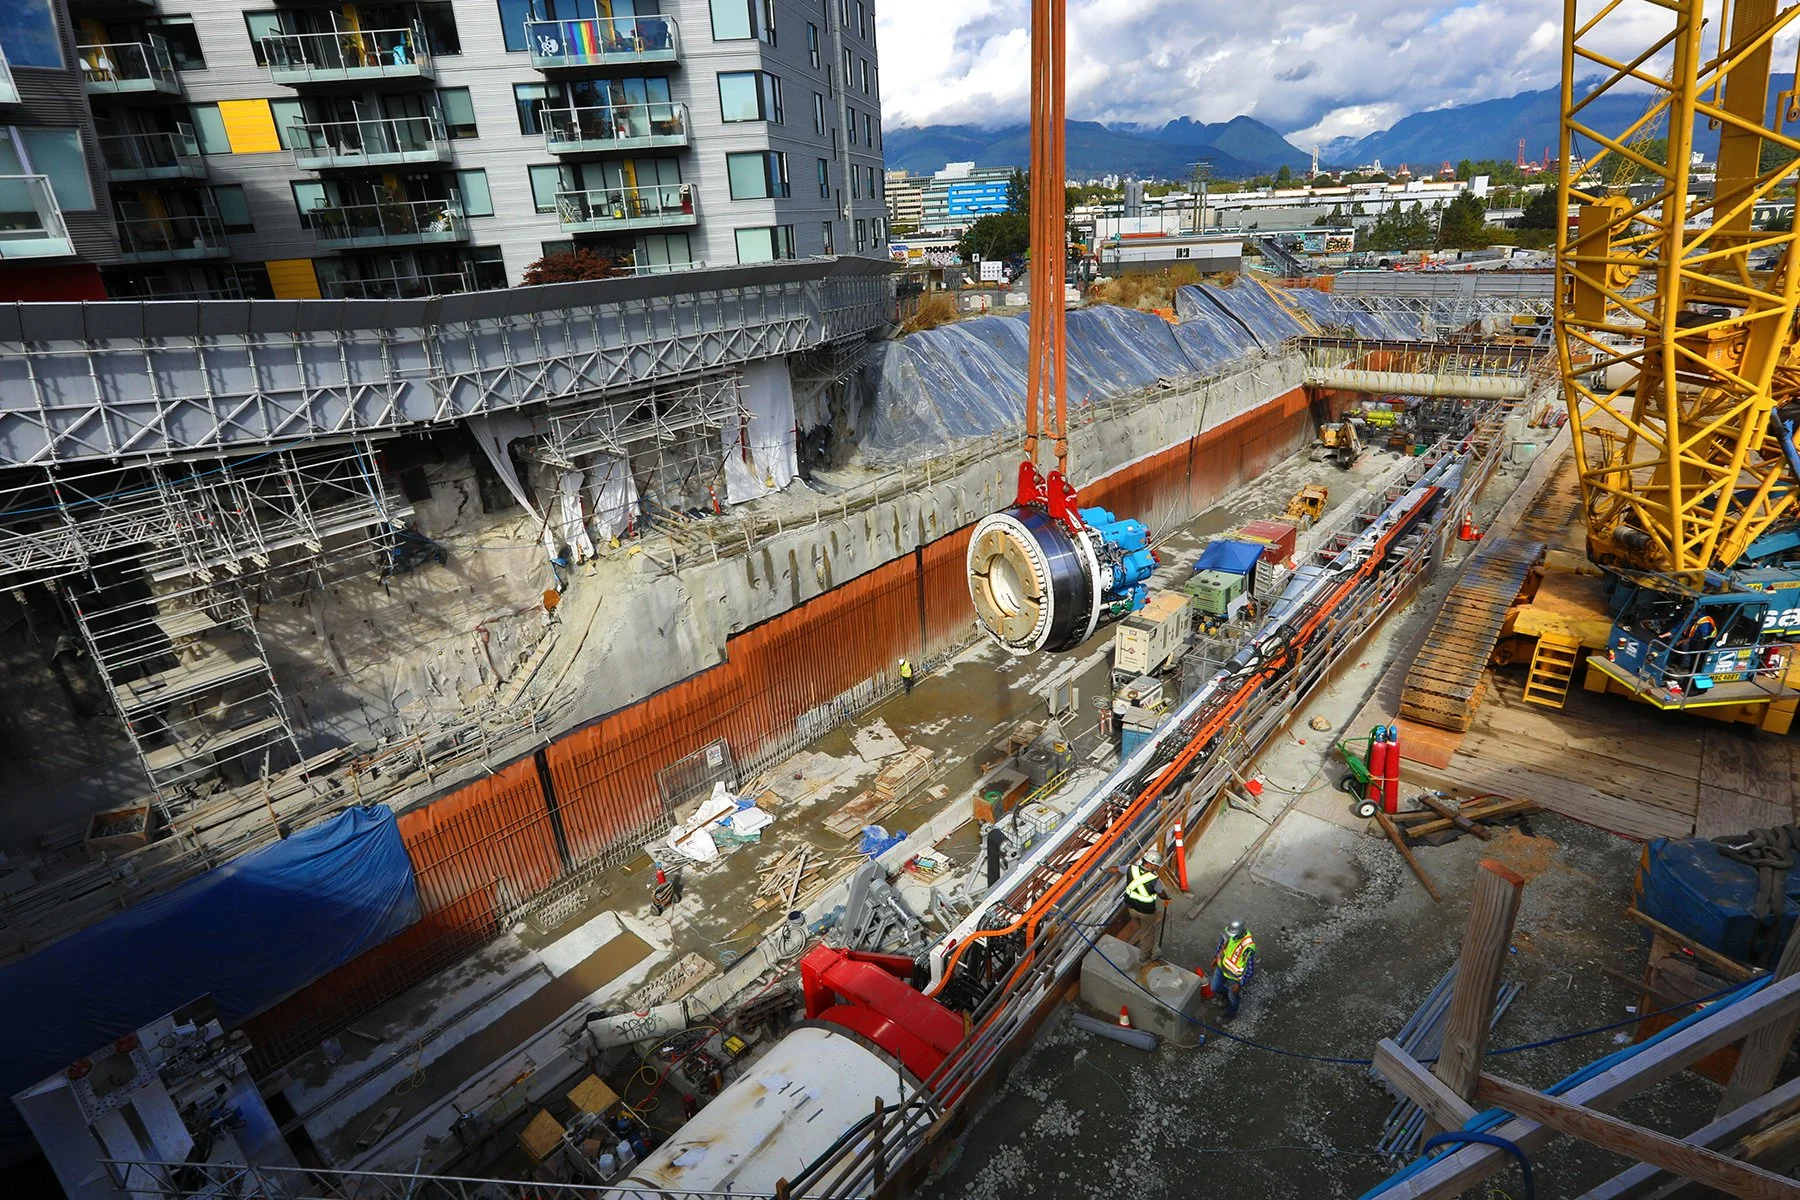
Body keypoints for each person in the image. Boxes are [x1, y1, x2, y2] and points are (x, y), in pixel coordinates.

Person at [1209, 919, 1257, 1021]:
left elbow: (1250, 970)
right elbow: (1222, 945)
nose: (1231, 936)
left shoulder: (1248, 947)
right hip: (1222, 968)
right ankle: (1226, 994)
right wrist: (1216, 957)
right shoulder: (1229, 933)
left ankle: (1230, 1015)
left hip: (1234, 977)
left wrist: (1240, 984)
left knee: (1233, 998)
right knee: (1214, 987)